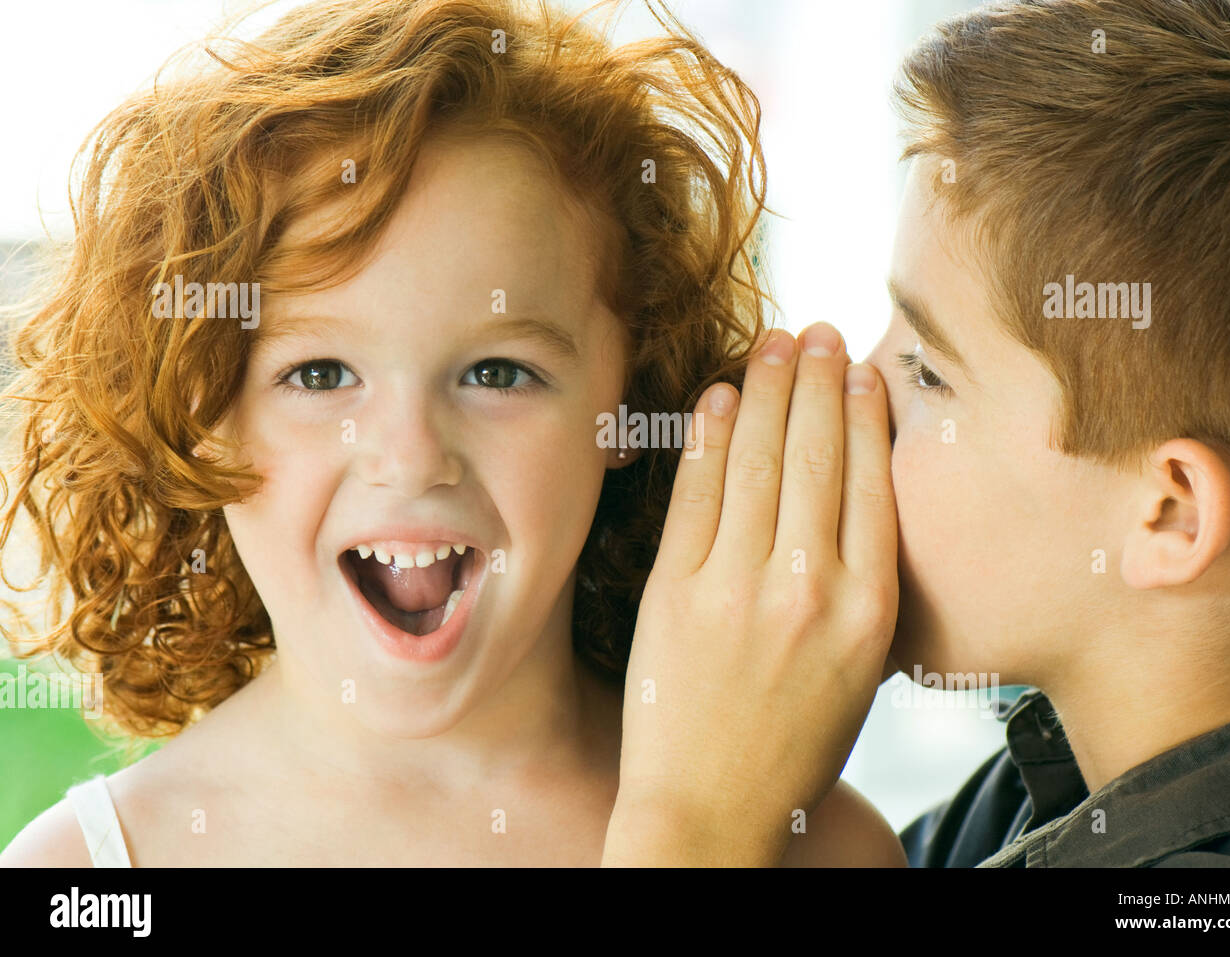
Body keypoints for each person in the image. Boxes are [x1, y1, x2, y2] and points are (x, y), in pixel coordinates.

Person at [0, 0, 905, 867]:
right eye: (318, 375)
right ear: (201, 413)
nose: (410, 456)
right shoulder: (89, 870)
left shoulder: (812, 850)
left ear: (630, 402)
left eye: (498, 372)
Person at [602, 0, 1230, 867]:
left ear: (1169, 513)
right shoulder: (1053, 789)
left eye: (929, 371)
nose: (856, 388)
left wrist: (689, 818)